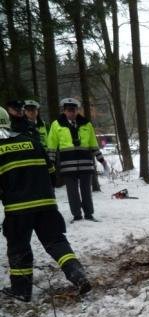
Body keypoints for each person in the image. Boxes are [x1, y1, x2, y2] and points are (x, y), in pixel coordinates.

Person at [0, 106, 91, 302]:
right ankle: (77, 274)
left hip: (18, 210)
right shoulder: (32, 142)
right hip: (47, 205)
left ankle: (21, 290)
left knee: (18, 248)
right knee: (56, 241)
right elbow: (51, 173)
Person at [47, 97, 107, 222]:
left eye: (74, 110)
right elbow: (52, 146)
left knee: (86, 191)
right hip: (67, 165)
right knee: (72, 193)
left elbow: (93, 144)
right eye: (69, 110)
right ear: (64, 111)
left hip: (86, 164)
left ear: (77, 110)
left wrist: (102, 160)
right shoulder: (56, 125)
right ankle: (77, 216)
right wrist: (50, 164)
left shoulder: (86, 124)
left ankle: (89, 214)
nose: (72, 112)